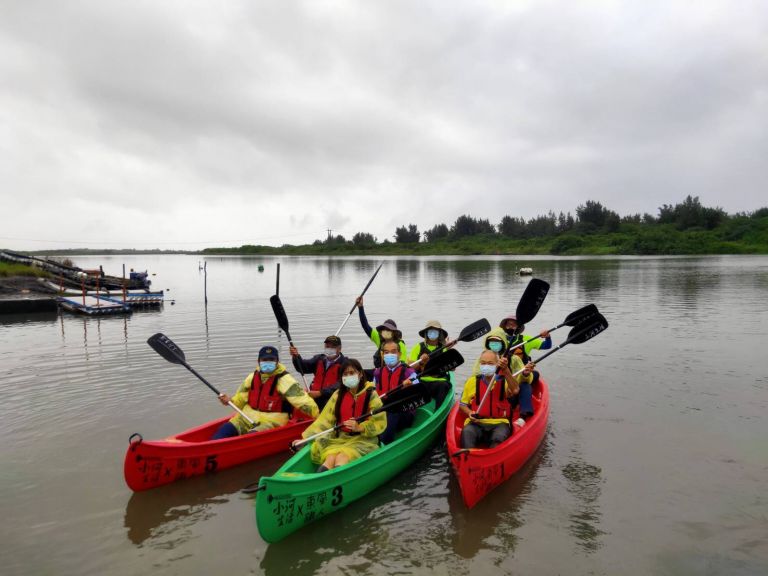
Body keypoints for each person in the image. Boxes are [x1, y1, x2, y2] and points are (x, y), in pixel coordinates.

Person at [293, 358, 387, 471]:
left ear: (360, 374)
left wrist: (359, 427)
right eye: (345, 374)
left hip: (363, 440)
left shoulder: (371, 394)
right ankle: (322, 477)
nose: (348, 376)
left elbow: (379, 422)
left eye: (352, 373)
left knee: (342, 457)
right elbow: (324, 421)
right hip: (340, 438)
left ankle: (335, 477)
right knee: (330, 458)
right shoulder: (338, 395)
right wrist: (304, 440)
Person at [211, 345, 319, 440]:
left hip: (272, 421)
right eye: (264, 360)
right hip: (246, 417)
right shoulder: (252, 377)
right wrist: (229, 401)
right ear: (259, 361)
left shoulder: (285, 380)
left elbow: (302, 401)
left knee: (251, 438)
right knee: (223, 431)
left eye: (271, 360)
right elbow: (239, 400)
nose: (268, 362)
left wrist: (320, 416)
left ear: (277, 362)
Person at [459, 349, 535, 449]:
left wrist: (506, 370)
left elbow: (515, 390)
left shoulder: (504, 380)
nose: (486, 366)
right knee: (467, 434)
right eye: (483, 363)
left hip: (500, 423)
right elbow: (463, 404)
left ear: (496, 365)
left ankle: (493, 458)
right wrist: (469, 413)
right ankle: (469, 459)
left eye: (490, 363)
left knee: (498, 439)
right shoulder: (472, 381)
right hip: (476, 423)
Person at [499, 314, 550, 418]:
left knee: (533, 376)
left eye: (513, 325)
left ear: (518, 327)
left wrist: (547, 337)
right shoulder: (499, 340)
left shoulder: (527, 339)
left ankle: (524, 412)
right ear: (504, 327)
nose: (510, 327)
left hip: (522, 374)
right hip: (503, 375)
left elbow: (547, 346)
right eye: (508, 325)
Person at [374, 339, 419, 444]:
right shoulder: (377, 373)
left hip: (404, 413)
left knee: (394, 412)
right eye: (386, 352)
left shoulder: (409, 372)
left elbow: (418, 394)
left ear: (399, 354)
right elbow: (374, 396)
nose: (390, 355)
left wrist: (410, 388)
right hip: (383, 410)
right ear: (382, 355)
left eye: (393, 352)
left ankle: (384, 443)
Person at [289, 335, 346, 411]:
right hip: (314, 396)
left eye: (333, 347)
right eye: (327, 346)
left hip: (331, 399)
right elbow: (302, 367)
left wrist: (321, 393)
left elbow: (341, 384)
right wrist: (296, 356)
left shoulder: (345, 364)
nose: (329, 349)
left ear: (339, 348)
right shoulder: (319, 359)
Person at [408, 320, 453, 407]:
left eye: (435, 331)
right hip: (422, 380)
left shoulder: (444, 348)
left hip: (439, 381)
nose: (432, 333)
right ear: (426, 333)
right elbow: (410, 367)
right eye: (430, 331)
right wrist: (421, 362)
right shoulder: (418, 347)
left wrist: (449, 351)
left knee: (442, 386)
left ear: (439, 333)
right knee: (410, 388)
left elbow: (452, 368)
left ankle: (439, 411)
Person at [355, 296, 407, 368]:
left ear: (394, 332)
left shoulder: (400, 345)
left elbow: (402, 363)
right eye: (384, 329)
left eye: (389, 330)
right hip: (381, 371)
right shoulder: (379, 338)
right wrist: (360, 307)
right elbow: (365, 325)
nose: (386, 332)